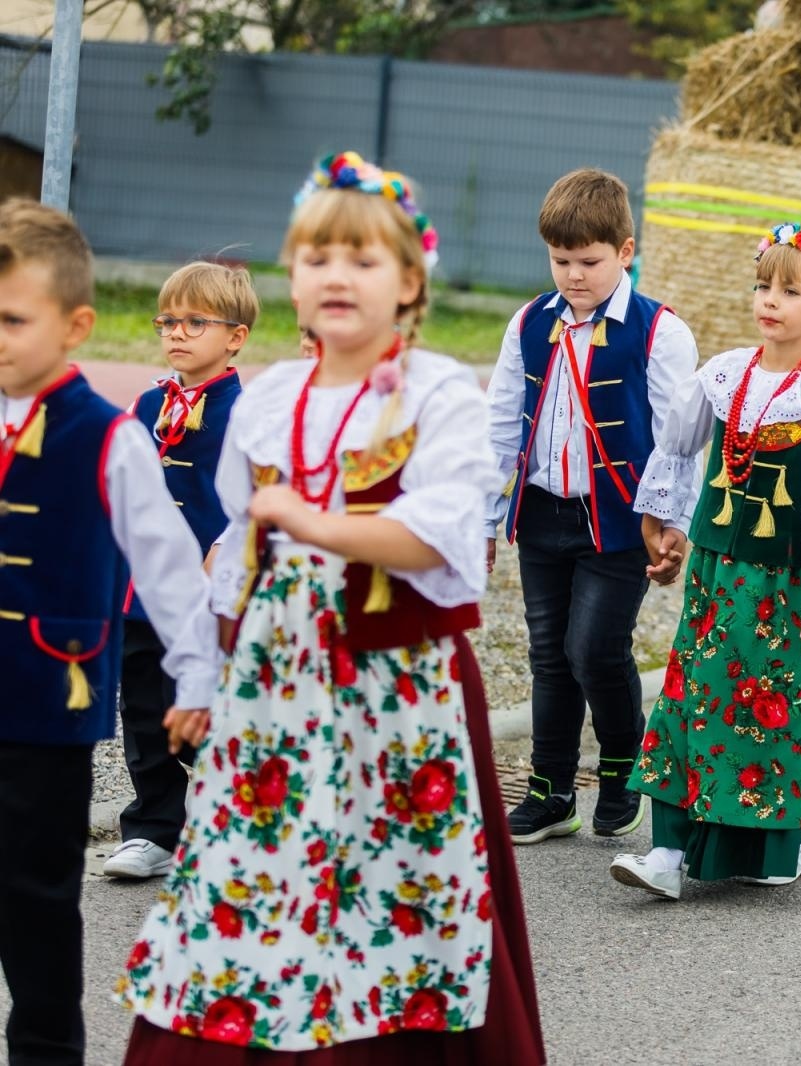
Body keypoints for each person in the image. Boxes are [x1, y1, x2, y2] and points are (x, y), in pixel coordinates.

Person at [119, 151, 545, 1061]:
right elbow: (235, 552)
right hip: (275, 685)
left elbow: (439, 535)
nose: (337, 277)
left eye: (363, 260)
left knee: (392, 893)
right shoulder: (271, 399)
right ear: (293, 280)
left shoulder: (436, 393)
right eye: (317, 258)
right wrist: (201, 672)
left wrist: (314, 522)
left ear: (410, 282)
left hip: (399, 688)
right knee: (256, 878)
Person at [0, 200, 220, 1066]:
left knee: (36, 894)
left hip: (50, 706)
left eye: (16, 319)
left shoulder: (111, 438)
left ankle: (47, 1051)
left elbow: (169, 572)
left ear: (76, 324)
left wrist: (197, 681)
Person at [608, 222, 801, 899]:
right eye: (764, 285)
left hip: (783, 584)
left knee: (769, 706)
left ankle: (773, 841)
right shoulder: (723, 375)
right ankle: (667, 852)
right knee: (690, 696)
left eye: (790, 290)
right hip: (716, 577)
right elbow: (676, 453)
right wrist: (662, 526)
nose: (770, 300)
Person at [484, 168, 699, 844]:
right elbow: (499, 423)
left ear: (625, 252)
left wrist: (671, 524)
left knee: (594, 648)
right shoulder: (528, 323)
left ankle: (619, 763)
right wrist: (485, 520)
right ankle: (550, 790)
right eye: (560, 261)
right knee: (549, 653)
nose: (573, 275)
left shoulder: (659, 331)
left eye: (589, 261)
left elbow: (680, 440)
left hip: (619, 519)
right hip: (544, 512)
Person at [105, 263, 254, 883]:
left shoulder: (246, 411)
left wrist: (225, 552)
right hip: (143, 590)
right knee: (142, 710)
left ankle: (238, 819)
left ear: (235, 337)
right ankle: (155, 830)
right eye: (168, 320)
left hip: (211, 594)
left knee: (210, 713)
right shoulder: (147, 402)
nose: (178, 333)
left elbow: (249, 501)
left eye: (196, 322)